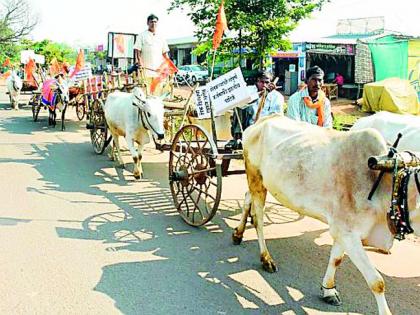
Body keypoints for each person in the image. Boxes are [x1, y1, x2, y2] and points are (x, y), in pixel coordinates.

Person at [227, 71, 284, 149]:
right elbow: (241, 103)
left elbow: (277, 117)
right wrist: (261, 94)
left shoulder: (277, 97)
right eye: (261, 82)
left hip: (267, 129)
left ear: (271, 83)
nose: (264, 85)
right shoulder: (248, 90)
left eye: (267, 82)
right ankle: (238, 137)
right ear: (257, 81)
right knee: (239, 105)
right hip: (248, 126)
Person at [134, 14, 169, 94]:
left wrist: (169, 66)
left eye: (155, 22)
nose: (153, 24)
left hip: (158, 71)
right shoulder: (141, 36)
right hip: (145, 71)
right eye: (151, 22)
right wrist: (140, 63)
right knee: (146, 93)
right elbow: (137, 51)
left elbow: (165, 54)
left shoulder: (161, 37)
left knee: (158, 93)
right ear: (147, 23)